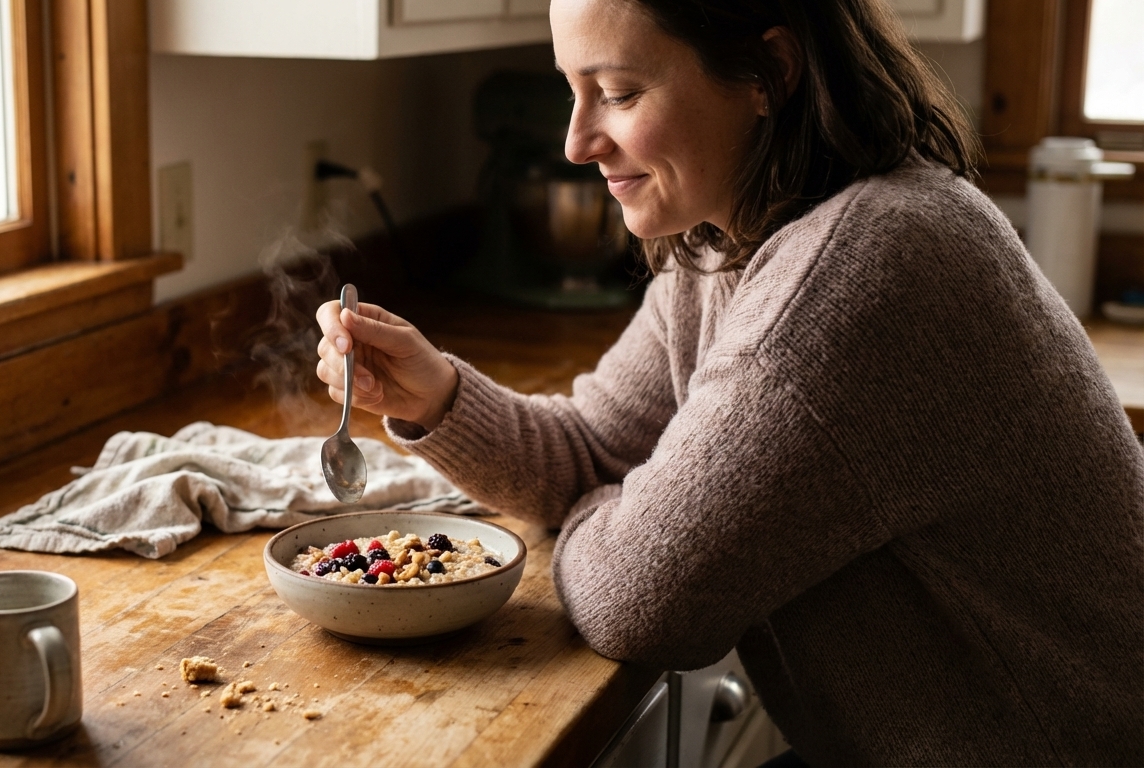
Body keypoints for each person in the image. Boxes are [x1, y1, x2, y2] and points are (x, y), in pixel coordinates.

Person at [314, 0, 1144, 764]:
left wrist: (631, 511)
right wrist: (440, 398)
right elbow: (596, 447)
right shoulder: (725, 240)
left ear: (767, 74)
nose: (576, 141)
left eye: (619, 92)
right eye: (573, 89)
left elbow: (639, 599)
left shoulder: (864, 271)